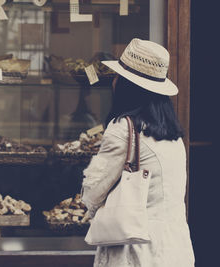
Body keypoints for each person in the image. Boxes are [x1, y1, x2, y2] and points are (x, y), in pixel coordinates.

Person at [80, 38, 195, 266]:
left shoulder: (123, 128)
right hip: (174, 249)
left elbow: (92, 191)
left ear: (124, 84)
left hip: (135, 253)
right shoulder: (173, 135)